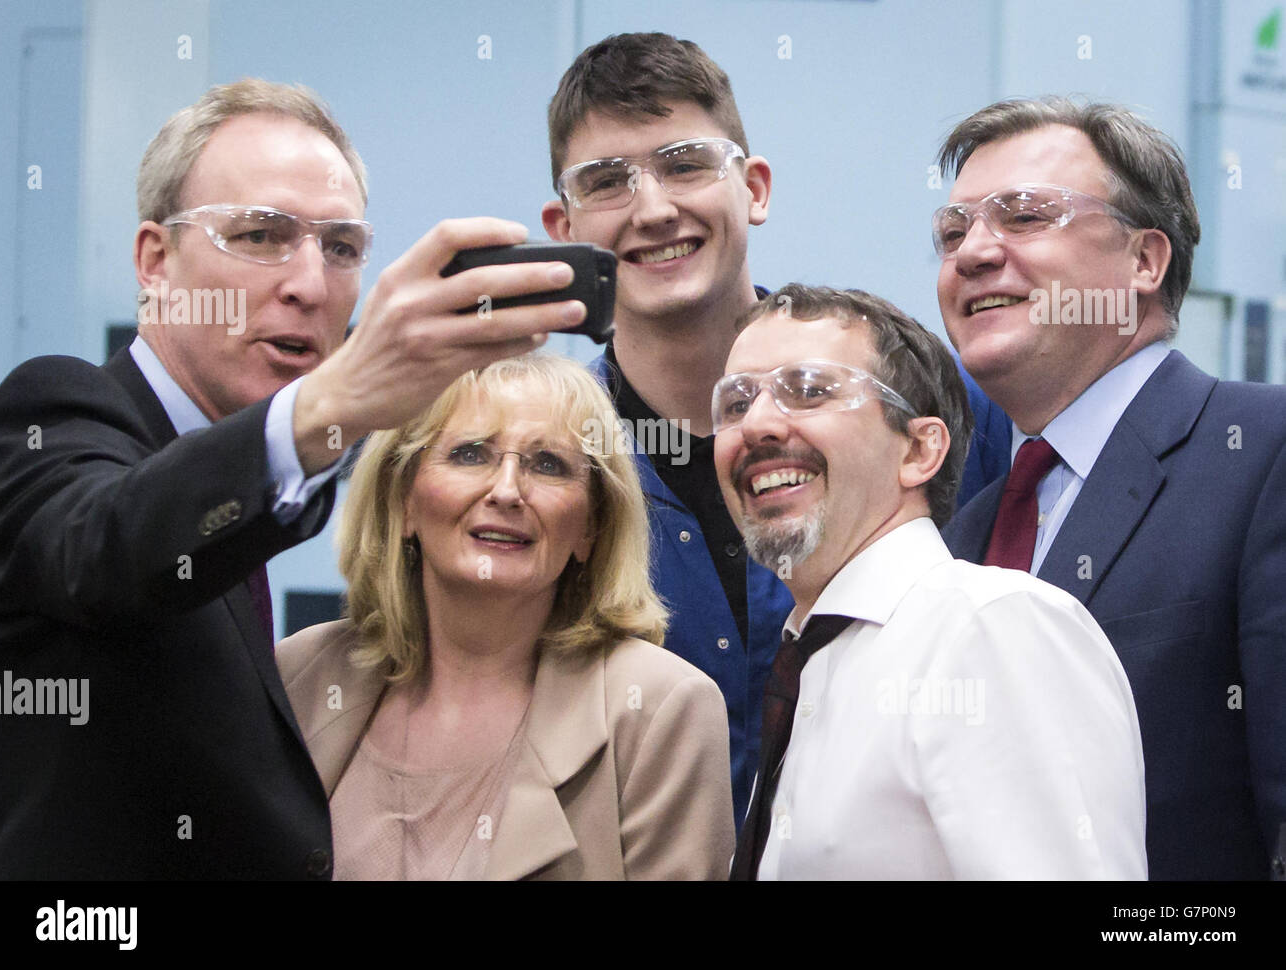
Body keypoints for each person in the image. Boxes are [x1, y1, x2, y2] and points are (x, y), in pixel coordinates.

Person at [0, 79, 585, 878]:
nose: (309, 284)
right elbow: (112, 544)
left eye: (340, 247)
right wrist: (333, 402)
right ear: (154, 261)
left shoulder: (265, 485)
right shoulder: (58, 410)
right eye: (262, 236)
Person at [541, 32, 1011, 828]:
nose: (653, 208)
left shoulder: (934, 408)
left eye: (686, 163)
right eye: (607, 181)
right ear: (563, 227)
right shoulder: (546, 463)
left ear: (754, 187)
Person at [935, 97, 1286, 880]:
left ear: (1144, 262)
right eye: (952, 232)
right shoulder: (963, 535)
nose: (972, 253)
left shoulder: (1265, 454)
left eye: (1023, 216)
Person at [716, 285, 1146, 880]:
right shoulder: (809, 661)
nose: (755, 423)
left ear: (920, 450)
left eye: (809, 391)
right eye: (735, 404)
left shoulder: (990, 628)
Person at [276, 354, 734, 880]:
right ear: (403, 499)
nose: (507, 491)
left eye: (548, 465)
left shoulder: (658, 711)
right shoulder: (300, 676)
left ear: (590, 528)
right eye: (471, 455)